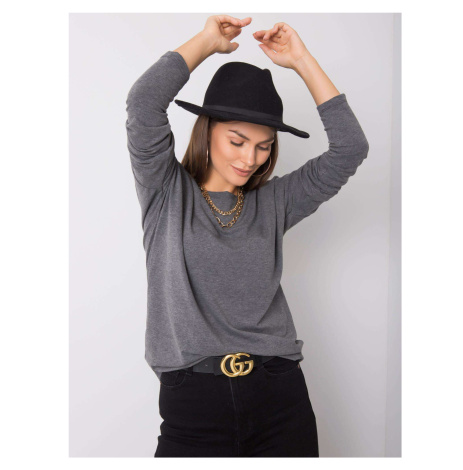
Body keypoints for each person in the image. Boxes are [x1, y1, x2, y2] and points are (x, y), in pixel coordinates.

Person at [125, 14, 369, 458]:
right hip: (192, 402)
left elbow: (351, 148)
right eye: (237, 141)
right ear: (208, 130)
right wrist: (206, 41)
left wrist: (301, 60)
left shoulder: (275, 202)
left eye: (264, 145)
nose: (251, 158)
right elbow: (143, 102)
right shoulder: (166, 190)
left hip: (280, 397)